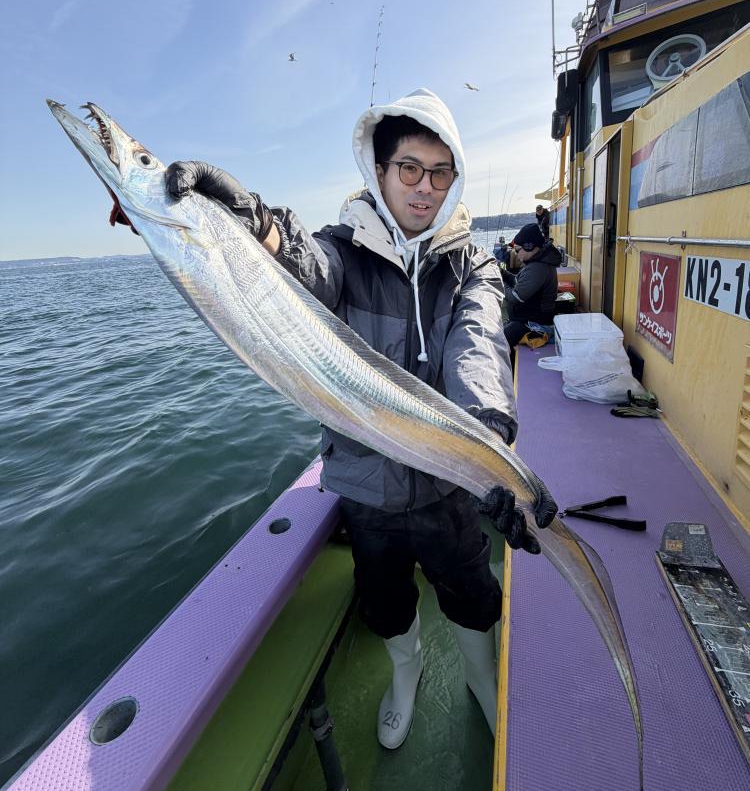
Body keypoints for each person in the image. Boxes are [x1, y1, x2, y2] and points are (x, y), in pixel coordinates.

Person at [161, 88, 556, 750]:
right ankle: (406, 672)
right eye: (410, 168)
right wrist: (252, 218)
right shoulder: (342, 251)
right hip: (367, 490)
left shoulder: (472, 264)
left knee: (471, 591)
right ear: (379, 170)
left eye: (440, 173)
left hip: (449, 486)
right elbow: (302, 269)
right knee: (385, 601)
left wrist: (488, 444)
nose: (424, 187)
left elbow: (479, 349)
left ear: (454, 178)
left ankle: (481, 678)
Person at [503, 222, 562, 351]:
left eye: (517, 250)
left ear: (529, 246)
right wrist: (502, 274)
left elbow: (516, 297)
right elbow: (518, 281)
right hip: (528, 318)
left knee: (498, 340)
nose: (516, 254)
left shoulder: (537, 268)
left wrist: (499, 284)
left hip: (536, 323)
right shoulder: (536, 262)